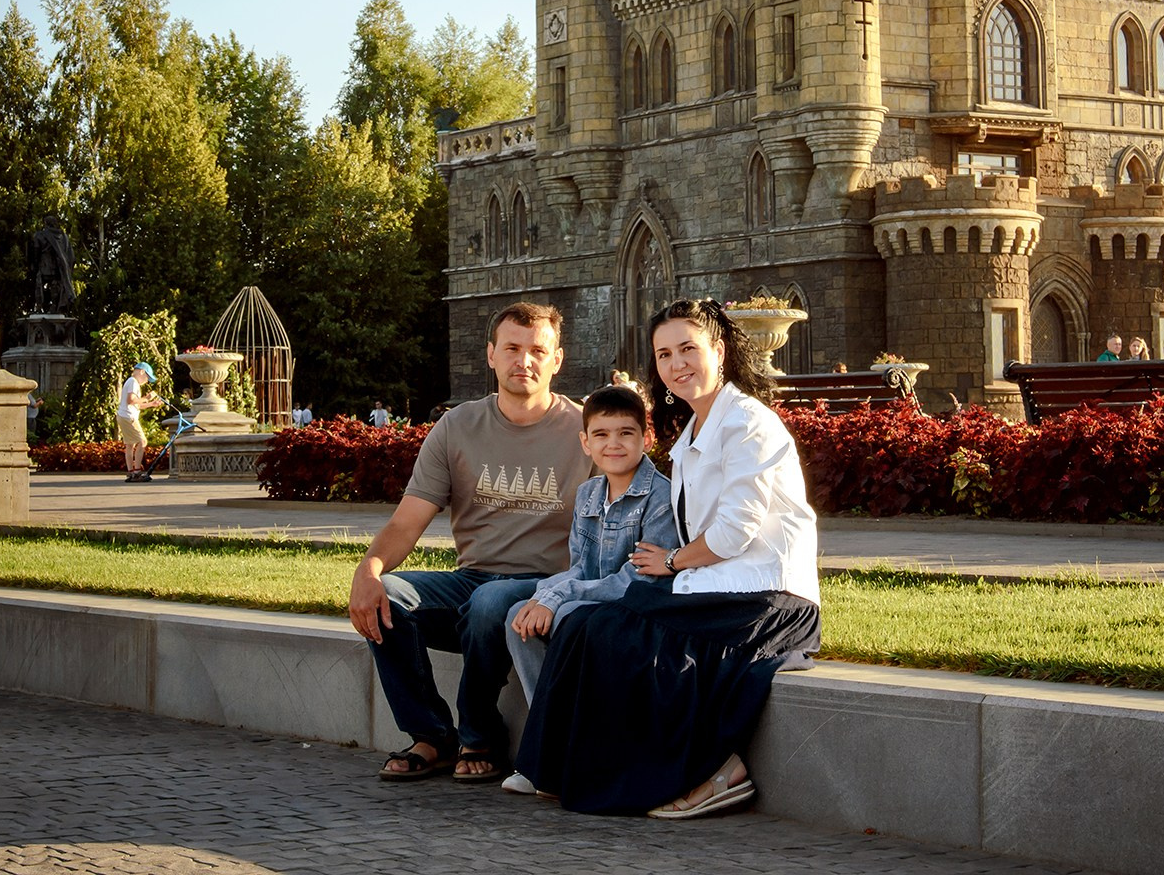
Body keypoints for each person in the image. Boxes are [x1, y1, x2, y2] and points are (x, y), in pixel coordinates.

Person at [516, 297, 821, 819]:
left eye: (688, 348)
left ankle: (719, 771)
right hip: (716, 585)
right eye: (663, 355)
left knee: (616, 632)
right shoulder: (692, 434)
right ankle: (561, 770)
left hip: (769, 597)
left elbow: (734, 531)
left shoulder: (748, 422)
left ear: (718, 351)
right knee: (591, 625)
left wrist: (674, 563)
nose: (677, 364)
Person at [349, 301, 593, 786]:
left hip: (548, 589)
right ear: (491, 355)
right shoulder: (457, 427)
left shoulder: (586, 429)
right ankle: (433, 736)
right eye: (512, 349)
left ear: (557, 359)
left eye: (537, 351)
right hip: (473, 581)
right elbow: (407, 521)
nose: (524, 360)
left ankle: (480, 734)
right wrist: (369, 569)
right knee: (391, 596)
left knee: (491, 602)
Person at [499, 384, 678, 794]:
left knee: (564, 615)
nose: (613, 444)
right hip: (592, 604)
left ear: (646, 438)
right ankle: (550, 746)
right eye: (601, 434)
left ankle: (564, 752)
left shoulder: (661, 496)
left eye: (626, 433)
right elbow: (579, 565)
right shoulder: (588, 494)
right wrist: (544, 595)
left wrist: (559, 598)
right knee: (518, 615)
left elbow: (640, 578)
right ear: (585, 442)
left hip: (638, 608)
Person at [116, 362, 162, 481]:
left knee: (130, 444)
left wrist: (151, 404)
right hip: (128, 417)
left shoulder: (131, 382)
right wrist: (147, 398)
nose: (147, 381)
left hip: (123, 415)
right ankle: (136, 473)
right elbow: (131, 400)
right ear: (142, 371)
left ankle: (131, 472)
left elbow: (136, 405)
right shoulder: (133, 382)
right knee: (142, 441)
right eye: (147, 377)